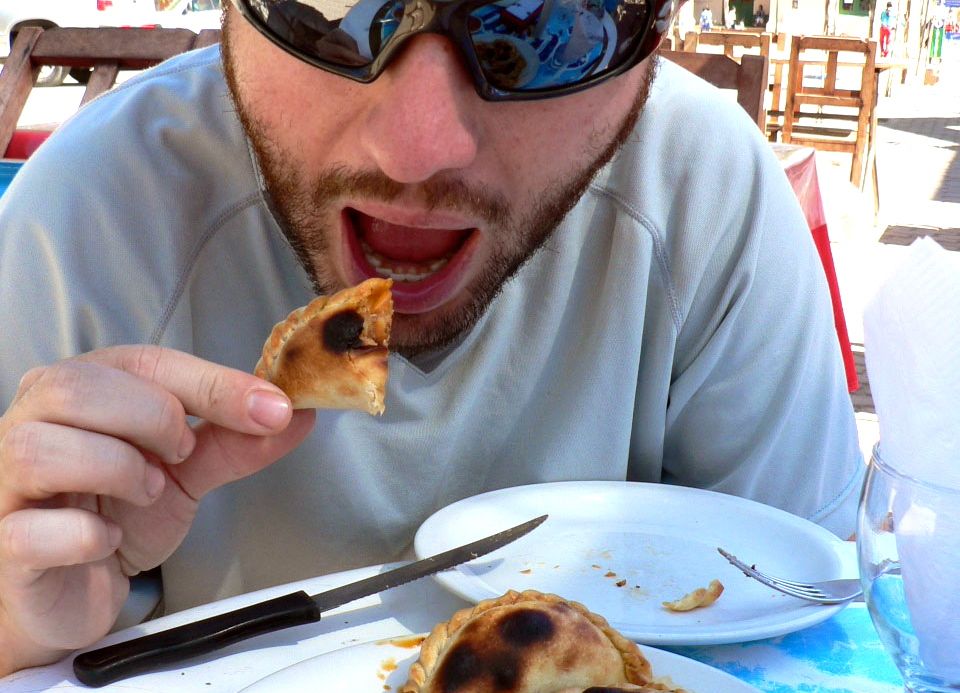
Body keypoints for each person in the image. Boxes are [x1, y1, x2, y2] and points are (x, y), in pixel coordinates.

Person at [0, 0, 864, 676]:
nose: (417, 150)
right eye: (328, 4)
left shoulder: (707, 200)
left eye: (551, 21)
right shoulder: (87, 221)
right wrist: (12, 624)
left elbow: (809, 637)